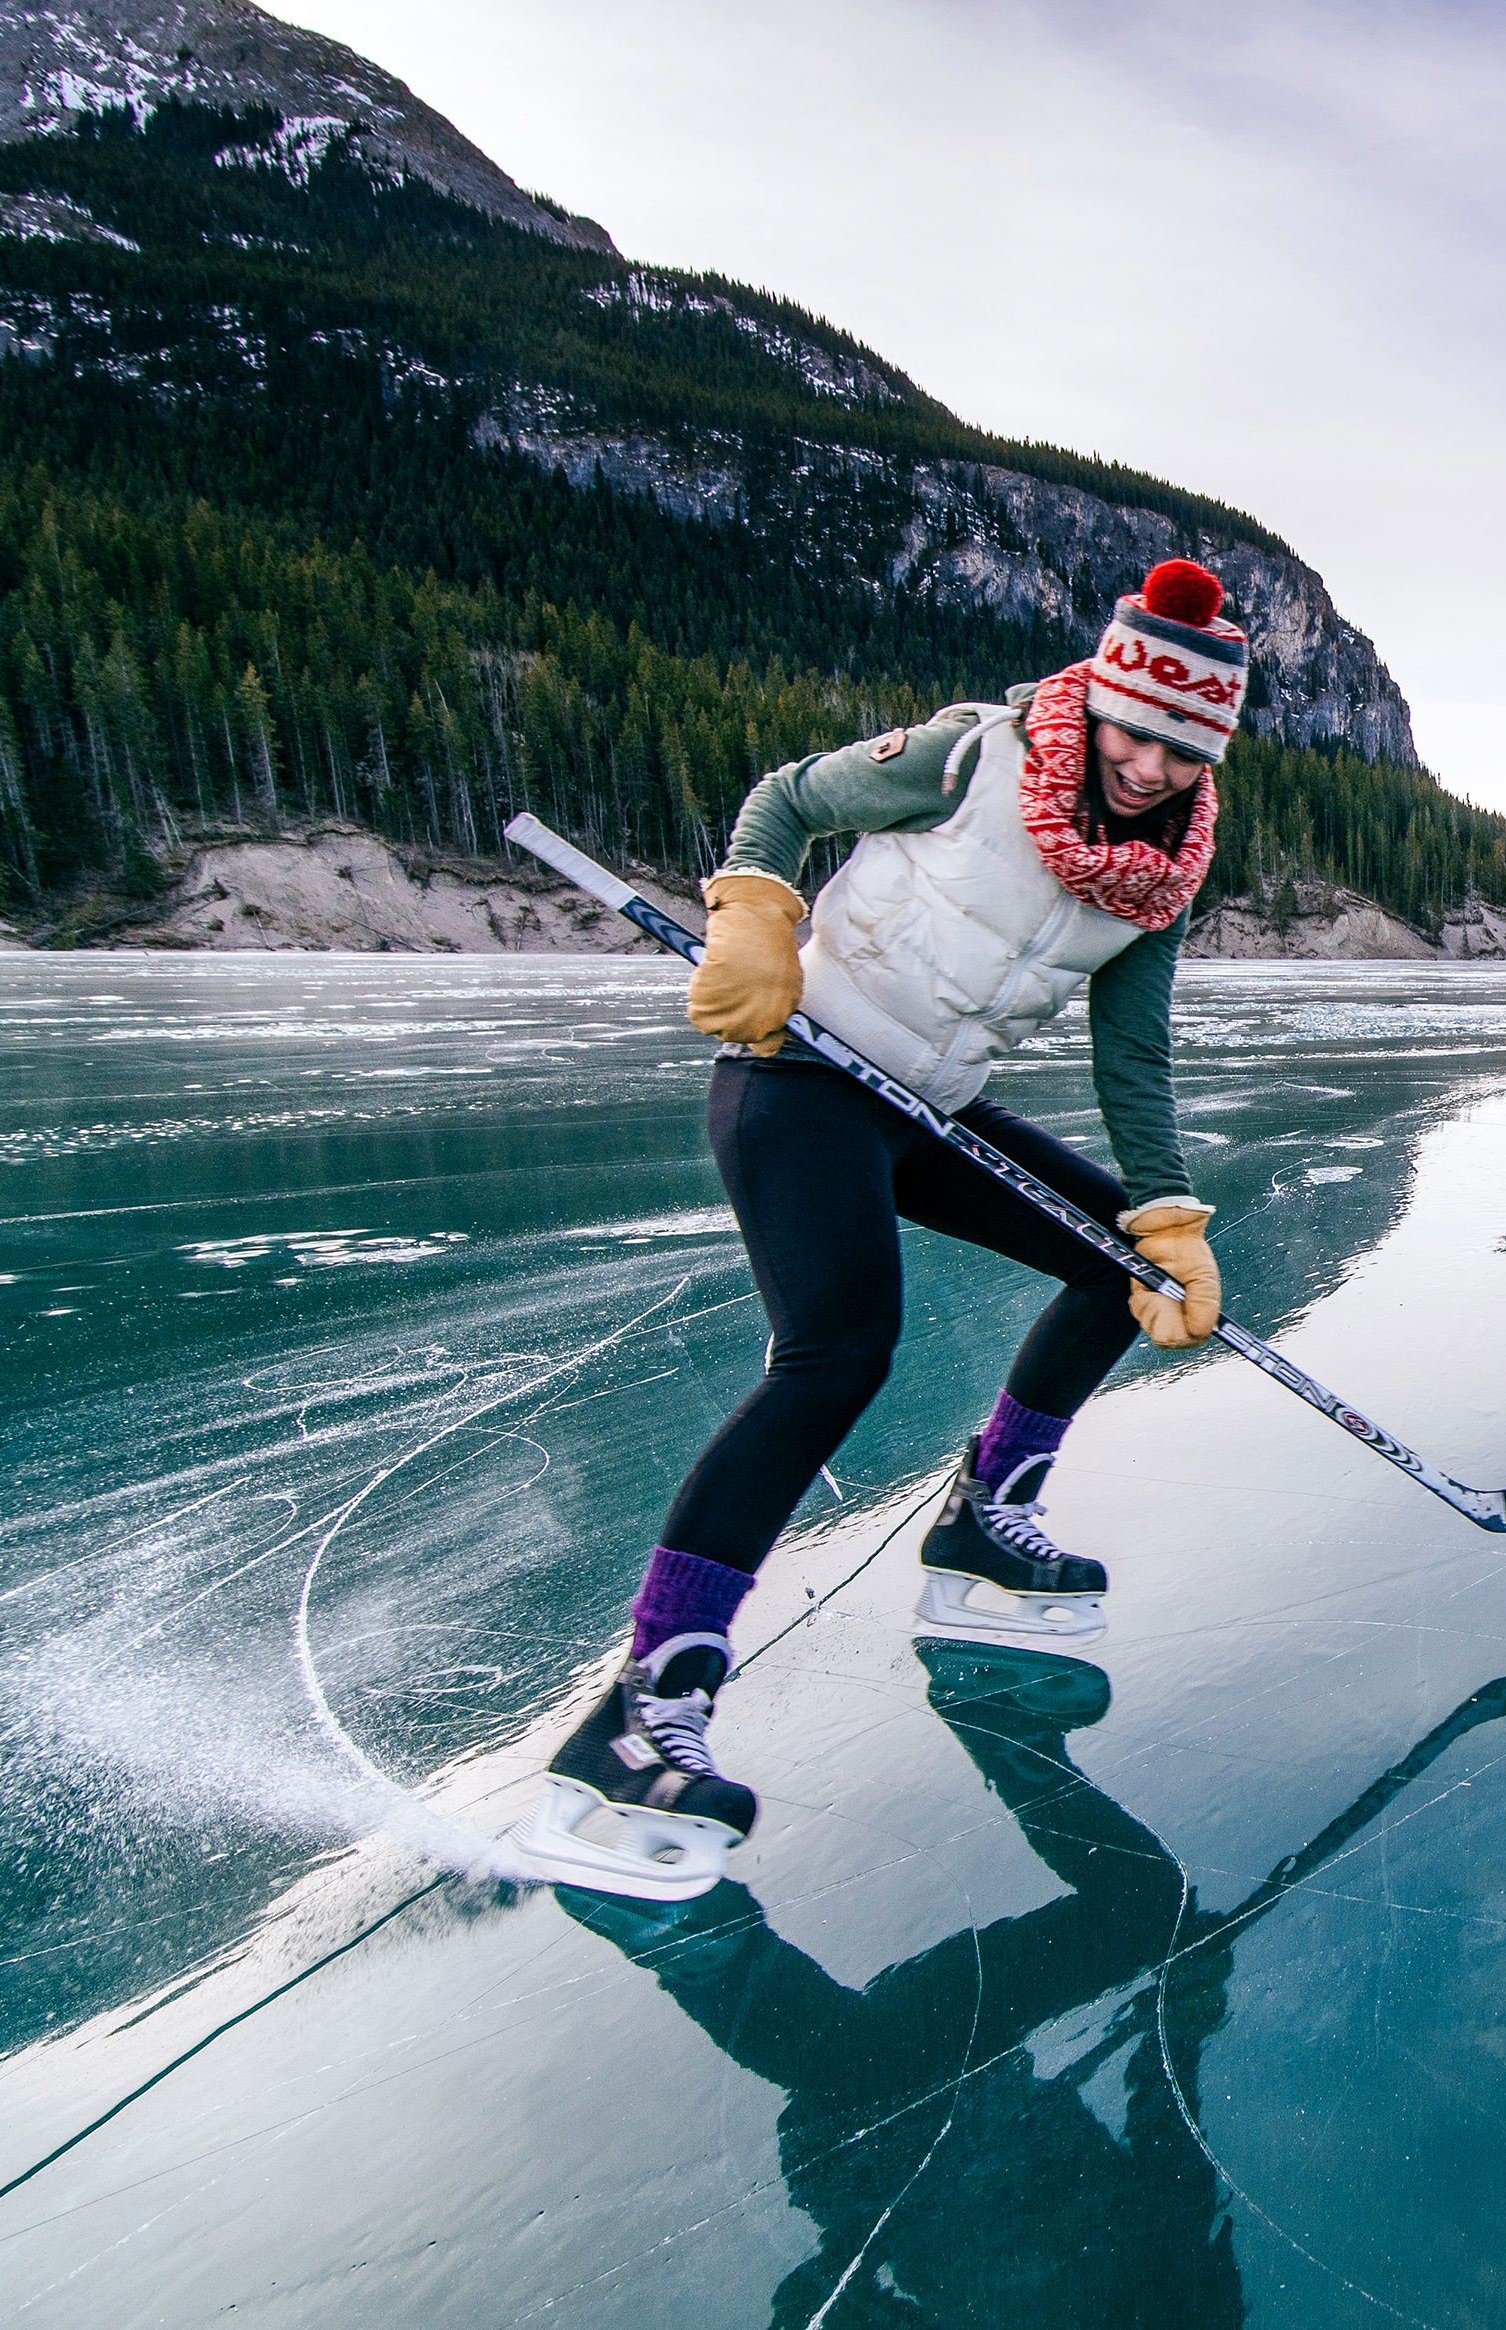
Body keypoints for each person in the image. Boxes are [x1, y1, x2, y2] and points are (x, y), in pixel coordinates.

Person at [515, 559, 1248, 1903]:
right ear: (1097, 700)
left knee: (1119, 1265)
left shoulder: (1159, 876)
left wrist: (1168, 1213)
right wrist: (753, 906)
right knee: (840, 1349)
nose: (1147, 763)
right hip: (800, 1070)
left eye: (1181, 746)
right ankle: (643, 1704)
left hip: (928, 1105)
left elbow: (1130, 1052)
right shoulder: (972, 757)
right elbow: (789, 800)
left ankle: (986, 1511)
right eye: (1135, 729)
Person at [560, 1648, 1506, 2326]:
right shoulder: (1194, 2312)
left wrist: (854, 2270)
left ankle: (673, 1915)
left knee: (859, 2070)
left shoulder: (1193, 2312)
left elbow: (822, 2307)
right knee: (1150, 1913)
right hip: (969, 2068)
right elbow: (1169, 2144)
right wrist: (1185, 1997)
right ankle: (986, 1711)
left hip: (885, 2144)